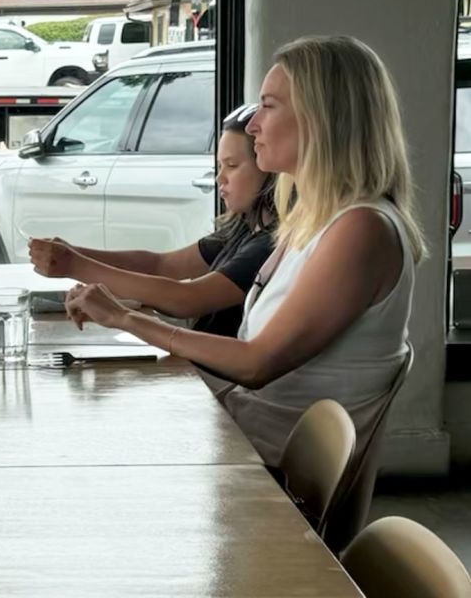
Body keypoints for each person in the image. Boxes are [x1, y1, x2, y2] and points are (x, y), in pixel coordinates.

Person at [64, 35, 426, 467]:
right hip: (242, 441)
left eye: (269, 106)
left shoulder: (361, 230)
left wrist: (127, 318)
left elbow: (256, 363)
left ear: (322, 119)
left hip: (266, 475)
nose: (253, 124)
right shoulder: (313, 219)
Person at [29, 104, 277, 339]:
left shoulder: (269, 244)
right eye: (219, 166)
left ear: (269, 167)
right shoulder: (243, 227)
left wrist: (74, 264)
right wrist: (72, 253)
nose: (220, 178)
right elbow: (161, 264)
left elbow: (188, 298)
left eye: (232, 166)